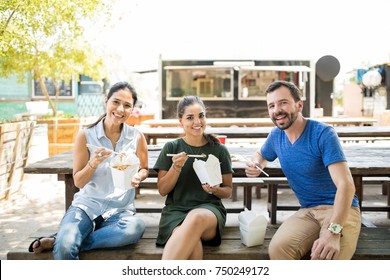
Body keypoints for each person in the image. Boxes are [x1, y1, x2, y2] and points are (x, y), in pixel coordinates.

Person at [28, 81, 148, 259]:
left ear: (132, 109)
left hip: (120, 211)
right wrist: (93, 163)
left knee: (135, 228)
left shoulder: (136, 137)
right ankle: (64, 242)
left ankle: (59, 241)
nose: (120, 109)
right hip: (86, 206)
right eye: (116, 102)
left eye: (127, 105)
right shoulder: (86, 135)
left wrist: (139, 176)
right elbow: (78, 181)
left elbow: (144, 168)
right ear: (106, 101)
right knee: (64, 249)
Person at [245, 80, 361, 260]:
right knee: (278, 249)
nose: (277, 110)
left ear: (299, 105)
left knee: (327, 258)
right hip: (308, 211)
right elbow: (261, 154)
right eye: (271, 105)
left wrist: (333, 232)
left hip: (341, 208)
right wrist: (256, 164)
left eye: (283, 102)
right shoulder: (276, 135)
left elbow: (346, 186)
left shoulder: (323, 133)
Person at [153, 96, 233, 260]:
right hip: (176, 213)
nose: (197, 122)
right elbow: (162, 190)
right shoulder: (172, 148)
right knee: (192, 244)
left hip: (209, 212)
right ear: (180, 121)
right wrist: (176, 167)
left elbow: (228, 191)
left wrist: (216, 190)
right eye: (190, 117)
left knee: (195, 218)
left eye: (201, 116)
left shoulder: (219, 150)